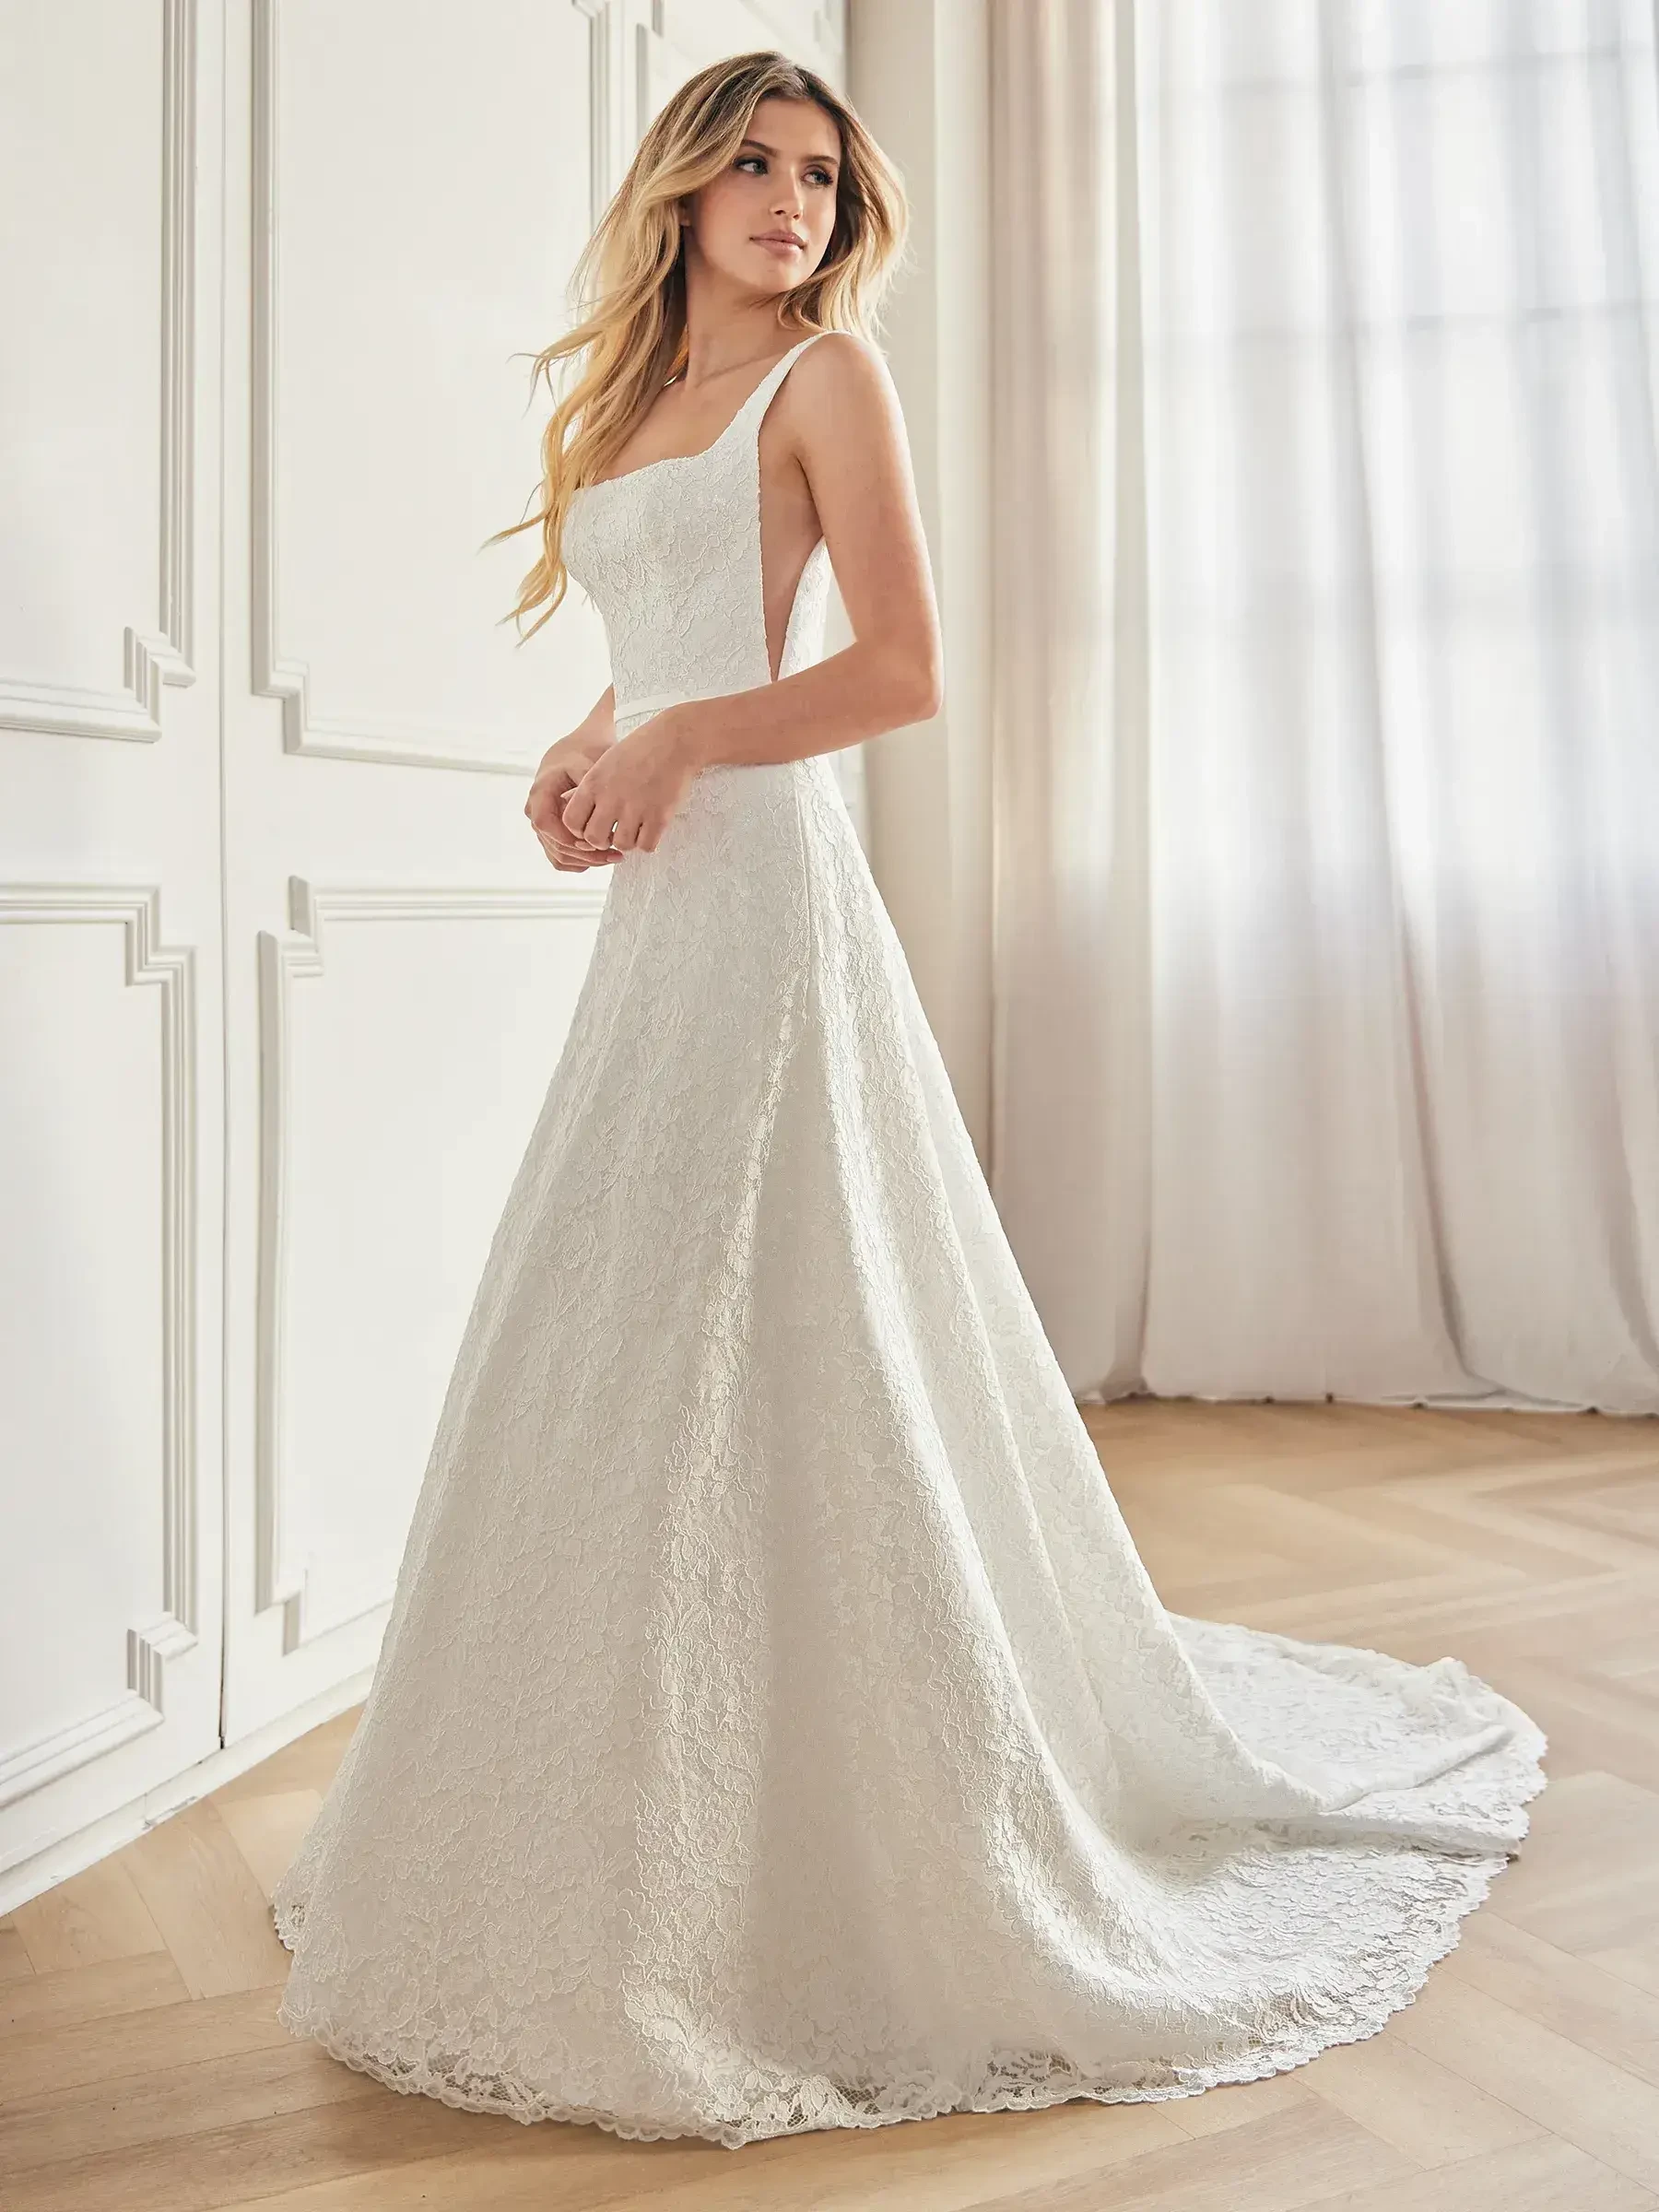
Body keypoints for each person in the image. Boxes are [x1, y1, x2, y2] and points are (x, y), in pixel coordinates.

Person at [271, 48, 1547, 2153]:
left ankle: (861, 1817)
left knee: (764, 1297)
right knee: (621, 1330)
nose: (792, 203)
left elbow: (902, 672)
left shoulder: (827, 384)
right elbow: (674, 638)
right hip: (669, 904)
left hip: (770, 891)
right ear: (680, 189)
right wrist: (592, 745)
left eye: (821, 176)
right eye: (755, 168)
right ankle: (622, 1820)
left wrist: (682, 756)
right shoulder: (633, 404)